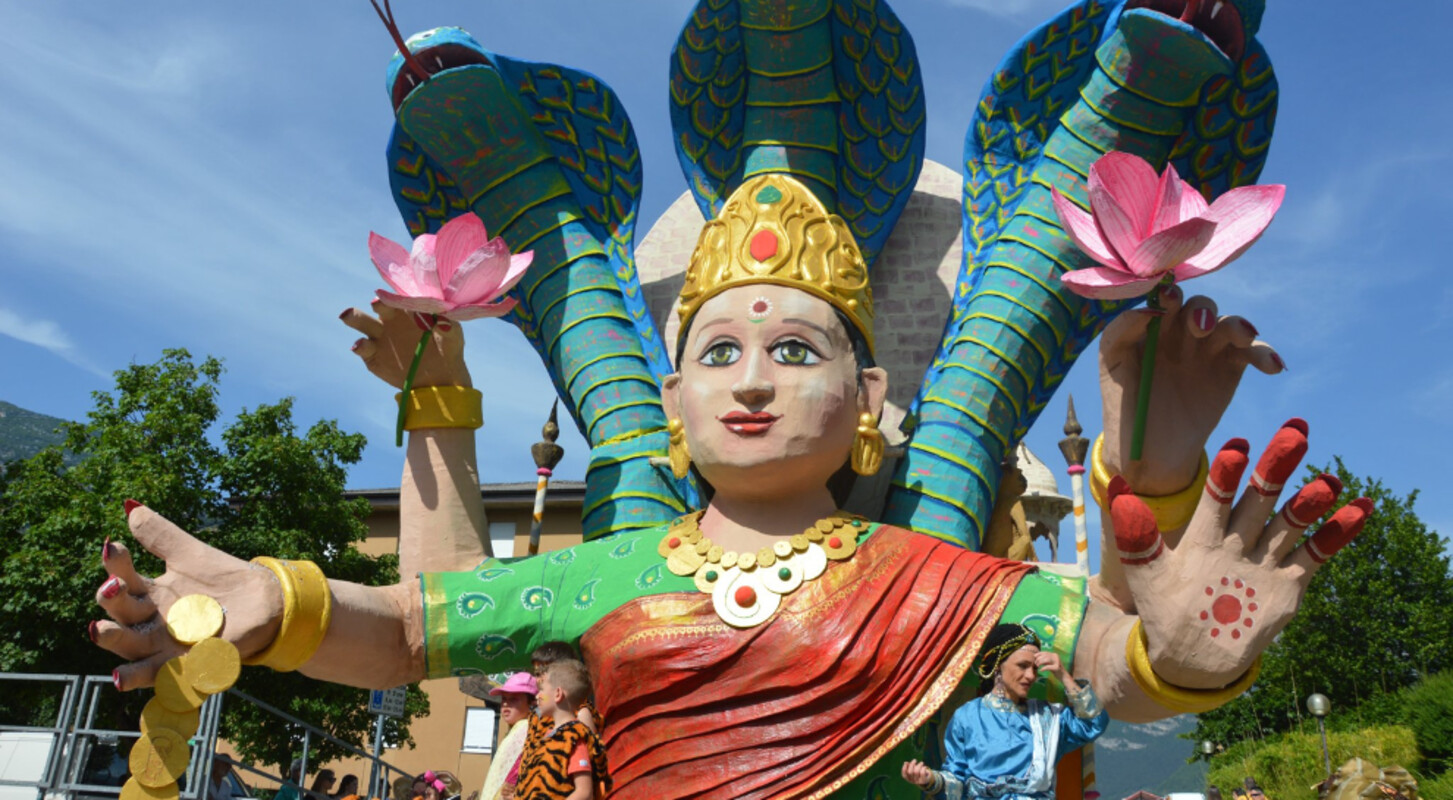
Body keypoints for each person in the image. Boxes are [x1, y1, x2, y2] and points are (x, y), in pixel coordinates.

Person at [95, 174, 1370, 799]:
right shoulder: (611, 575)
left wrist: (1176, 619)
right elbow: (412, 628)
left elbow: (1110, 659)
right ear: (670, 406)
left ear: (869, 400)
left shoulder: (942, 580)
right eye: (718, 353)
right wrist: (278, 597)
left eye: (796, 350)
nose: (752, 378)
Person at [901, 623, 1107, 798]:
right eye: (1023, 666)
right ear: (998, 666)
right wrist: (930, 780)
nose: (1031, 676)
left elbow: (1093, 723)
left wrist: (1063, 675)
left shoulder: (1048, 717)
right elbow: (956, 781)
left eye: (1035, 668)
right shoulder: (967, 717)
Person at [512, 661, 607, 800]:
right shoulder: (548, 736)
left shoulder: (573, 737)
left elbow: (584, 792)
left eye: (542, 690)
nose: (537, 696)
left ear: (558, 694)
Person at [481, 672, 538, 800]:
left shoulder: (525, 729)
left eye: (513, 699)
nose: (505, 704)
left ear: (532, 703)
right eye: (504, 699)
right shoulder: (515, 730)